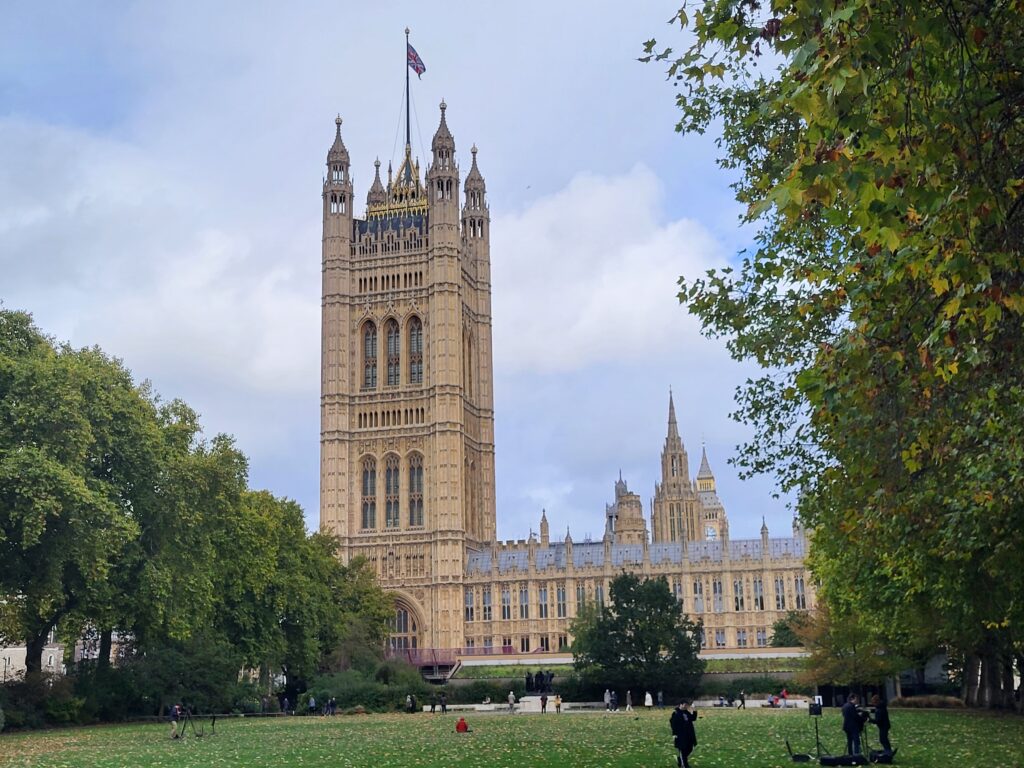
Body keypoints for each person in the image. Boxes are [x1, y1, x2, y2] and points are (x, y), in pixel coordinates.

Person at [670, 701, 698, 768]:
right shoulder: (676, 713)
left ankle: (680, 759)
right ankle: (684, 765)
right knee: (683, 749)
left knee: (690, 748)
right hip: (681, 735)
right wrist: (674, 734)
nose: (686, 706)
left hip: (689, 734)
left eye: (687, 705)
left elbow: (693, 718)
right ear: (681, 705)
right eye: (685, 705)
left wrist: (694, 710)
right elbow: (673, 724)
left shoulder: (686, 712)